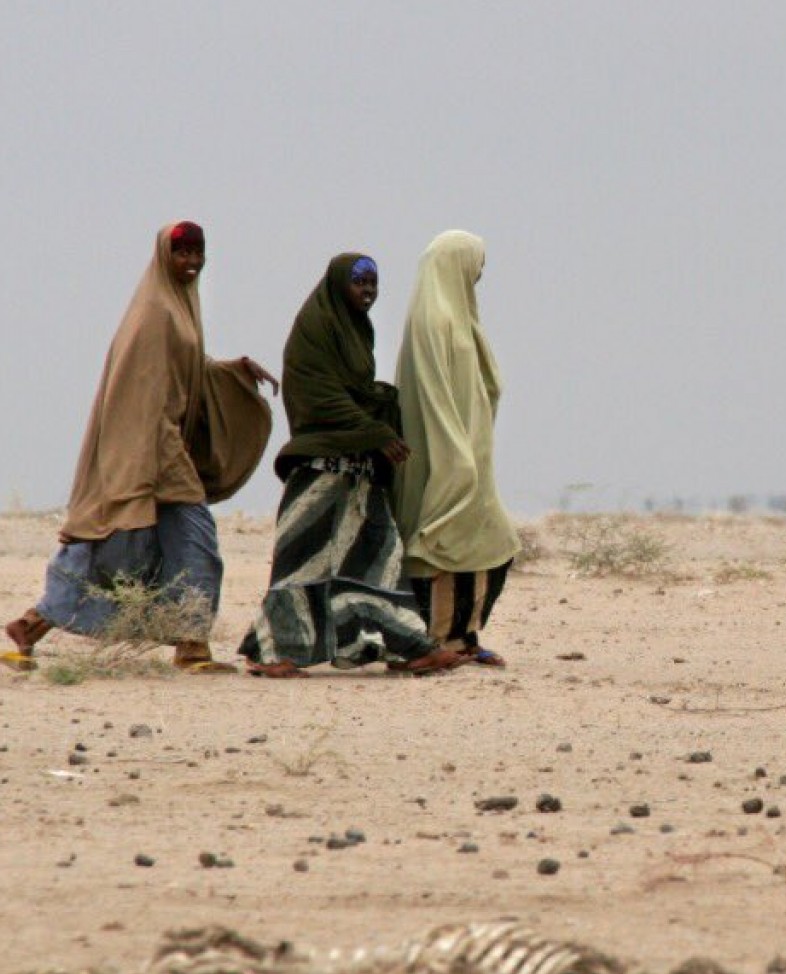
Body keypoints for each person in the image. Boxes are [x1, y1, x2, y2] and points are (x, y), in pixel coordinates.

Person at [3, 221, 276, 674]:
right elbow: (146, 395)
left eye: (197, 252)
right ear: (164, 256)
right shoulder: (155, 311)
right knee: (167, 541)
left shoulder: (179, 305)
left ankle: (33, 627)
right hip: (149, 450)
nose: (191, 261)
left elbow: (181, 370)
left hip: (162, 449)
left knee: (133, 543)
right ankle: (188, 644)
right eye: (182, 253)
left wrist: (232, 370)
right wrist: (152, 462)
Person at [238, 253, 461, 679]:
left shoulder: (358, 331)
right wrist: (375, 431)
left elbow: (354, 392)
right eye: (359, 283)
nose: (368, 291)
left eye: (373, 284)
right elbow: (322, 397)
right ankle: (272, 653)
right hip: (321, 468)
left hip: (358, 471)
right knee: (302, 562)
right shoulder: (315, 331)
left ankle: (409, 648)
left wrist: (380, 409)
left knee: (382, 555)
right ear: (339, 285)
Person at [392, 230, 520, 667]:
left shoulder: (459, 317)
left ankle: (461, 636)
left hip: (469, 454)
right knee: (442, 544)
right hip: (446, 454)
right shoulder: (434, 320)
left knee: (490, 543)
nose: (478, 276)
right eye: (474, 266)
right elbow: (434, 393)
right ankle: (437, 639)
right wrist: (455, 457)